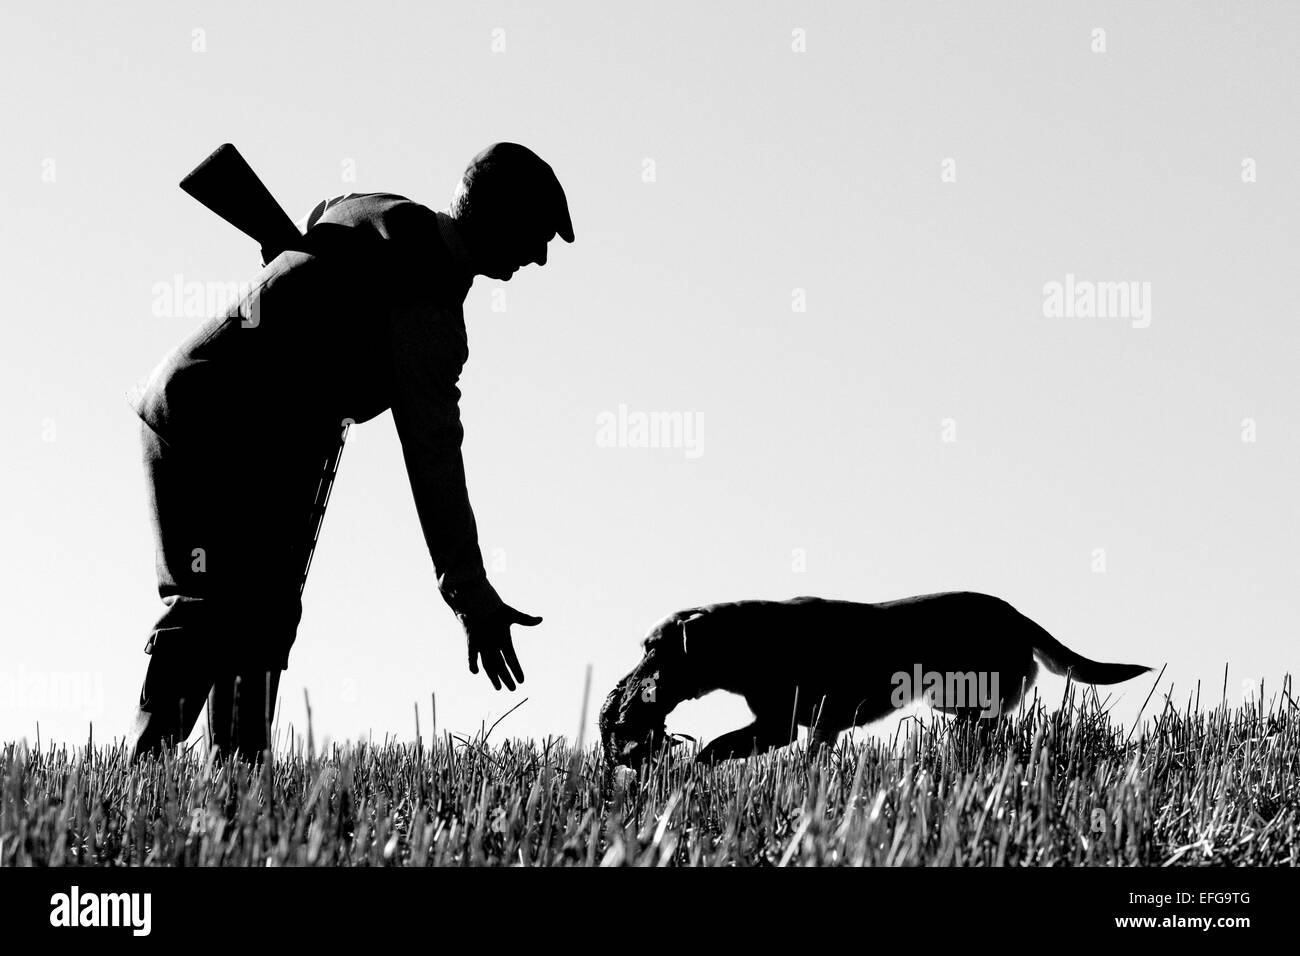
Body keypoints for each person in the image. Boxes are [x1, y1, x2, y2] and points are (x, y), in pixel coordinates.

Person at [125, 143, 573, 759]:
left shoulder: (375, 207)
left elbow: (319, 219)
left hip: (212, 410)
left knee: (258, 609)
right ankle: (156, 774)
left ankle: (235, 786)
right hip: (223, 424)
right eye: (537, 233)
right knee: (214, 607)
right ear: (499, 215)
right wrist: (472, 596)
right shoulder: (430, 309)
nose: (541, 256)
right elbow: (434, 459)